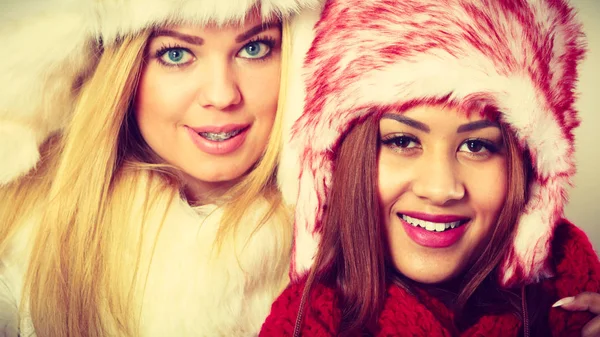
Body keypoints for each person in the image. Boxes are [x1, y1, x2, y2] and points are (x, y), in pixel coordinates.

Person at [262, 0, 600, 336]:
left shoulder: (575, 308)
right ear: (340, 160)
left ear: (531, 174)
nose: (440, 190)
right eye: (402, 141)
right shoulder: (301, 326)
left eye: (476, 145)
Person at [0, 0, 318, 336]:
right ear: (122, 74)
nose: (222, 95)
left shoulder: (343, 246)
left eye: (254, 48)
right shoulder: (22, 250)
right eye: (176, 54)